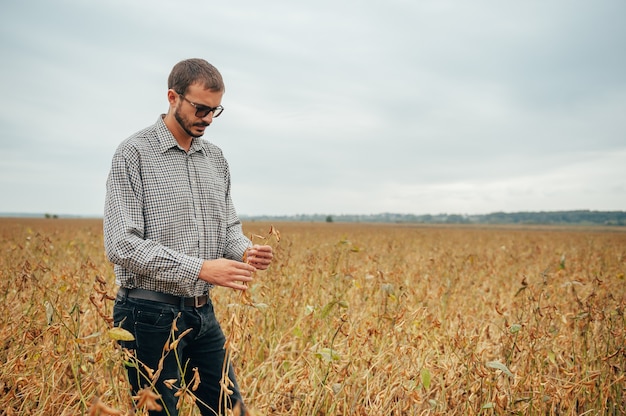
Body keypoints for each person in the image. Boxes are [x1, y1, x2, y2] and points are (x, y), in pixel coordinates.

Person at [104, 58, 273, 415]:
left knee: (230, 410)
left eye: (215, 111)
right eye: (200, 108)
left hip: (201, 313)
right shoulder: (133, 153)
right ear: (172, 97)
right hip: (147, 314)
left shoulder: (215, 158)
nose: (208, 119)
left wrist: (246, 251)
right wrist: (200, 269)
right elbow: (122, 244)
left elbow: (227, 228)